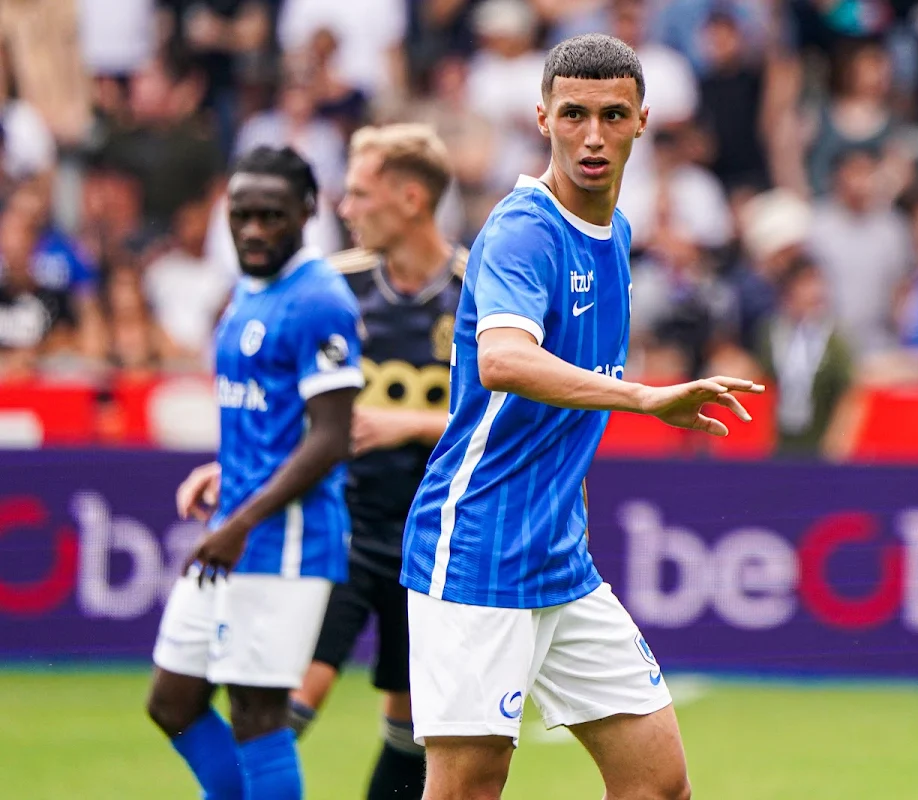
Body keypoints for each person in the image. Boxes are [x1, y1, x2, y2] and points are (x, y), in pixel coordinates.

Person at [400, 33, 763, 800]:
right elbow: (502, 359)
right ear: (541, 118)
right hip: (478, 550)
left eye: (611, 115)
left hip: (559, 559)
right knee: (468, 788)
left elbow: (563, 414)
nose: (592, 136)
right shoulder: (523, 231)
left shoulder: (616, 235)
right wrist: (646, 397)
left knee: (657, 782)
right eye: (573, 114)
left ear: (642, 122)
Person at [176, 123, 466, 799]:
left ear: (412, 198)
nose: (344, 207)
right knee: (278, 708)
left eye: (360, 193)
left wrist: (408, 424)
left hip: (437, 538)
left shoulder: (477, 291)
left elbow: (509, 416)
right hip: (342, 525)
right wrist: (237, 470)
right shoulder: (333, 288)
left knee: (412, 725)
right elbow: (292, 409)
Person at [148, 145, 363, 800]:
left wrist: (239, 520)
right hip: (238, 520)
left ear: (307, 211)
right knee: (173, 702)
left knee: (258, 713)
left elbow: (330, 438)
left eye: (270, 216)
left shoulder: (320, 300)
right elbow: (273, 416)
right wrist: (227, 470)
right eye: (241, 215)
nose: (253, 230)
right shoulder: (248, 287)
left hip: (285, 539)